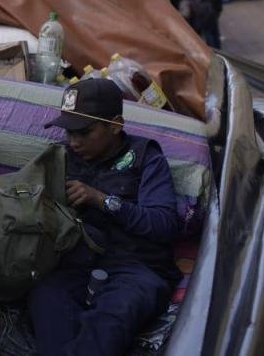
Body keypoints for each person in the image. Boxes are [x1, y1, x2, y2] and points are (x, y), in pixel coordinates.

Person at [29, 79, 181, 356]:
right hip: (74, 265)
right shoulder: (60, 156)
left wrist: (101, 200)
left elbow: (163, 224)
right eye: (69, 131)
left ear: (115, 125)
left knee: (109, 322)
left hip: (135, 269)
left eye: (84, 132)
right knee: (46, 302)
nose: (74, 141)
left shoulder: (145, 157)